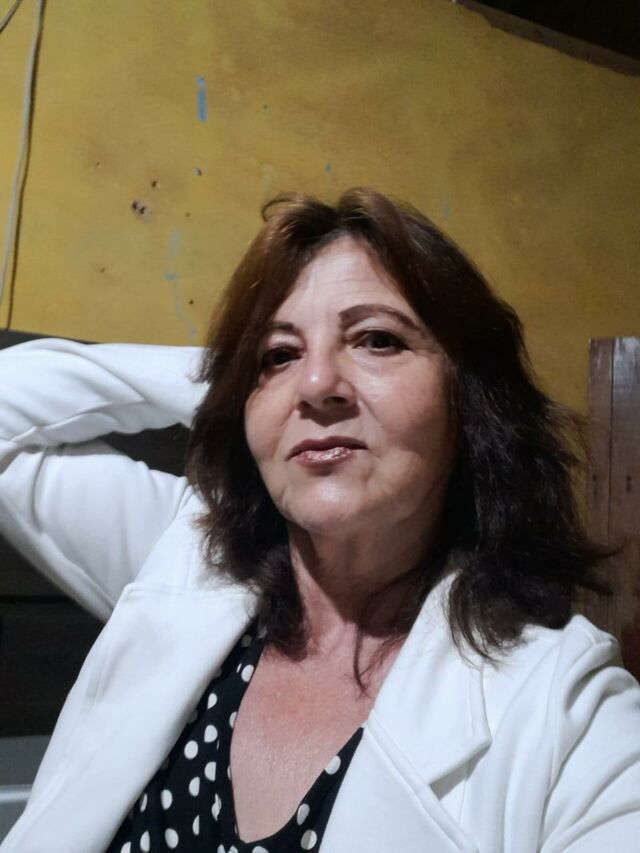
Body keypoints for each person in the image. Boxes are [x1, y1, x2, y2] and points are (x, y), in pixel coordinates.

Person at [0, 188, 639, 853]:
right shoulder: (188, 550)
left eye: (378, 340)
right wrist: (231, 382)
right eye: (279, 355)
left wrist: (276, 372)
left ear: (471, 398)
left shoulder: (570, 710)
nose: (315, 385)